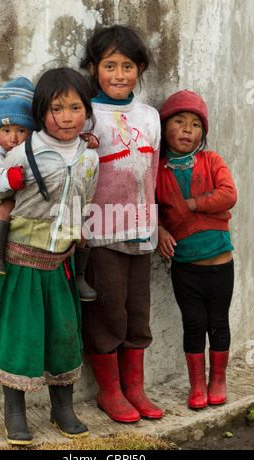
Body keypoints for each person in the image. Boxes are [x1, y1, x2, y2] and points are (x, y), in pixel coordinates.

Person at [0, 67, 99, 445]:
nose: (66, 117)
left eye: (75, 107)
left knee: (63, 338)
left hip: (59, 265)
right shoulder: (24, 154)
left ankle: (62, 408)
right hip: (20, 266)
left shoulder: (89, 157)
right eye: (57, 108)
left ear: (87, 110)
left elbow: (87, 198)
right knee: (19, 337)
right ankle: (14, 412)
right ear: (41, 112)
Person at [80, 24, 163, 423]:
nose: (118, 74)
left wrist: (159, 223)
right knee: (107, 311)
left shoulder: (149, 117)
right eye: (109, 65)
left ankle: (135, 388)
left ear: (140, 68)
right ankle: (109, 392)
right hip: (101, 232)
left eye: (127, 65)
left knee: (137, 312)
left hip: (143, 231)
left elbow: (153, 175)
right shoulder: (87, 116)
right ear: (93, 68)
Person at [156, 90, 237, 409]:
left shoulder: (211, 160)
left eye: (195, 124)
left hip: (221, 264)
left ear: (203, 132)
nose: (188, 129)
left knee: (218, 322)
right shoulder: (158, 171)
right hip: (185, 269)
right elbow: (151, 208)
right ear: (164, 128)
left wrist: (195, 204)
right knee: (193, 325)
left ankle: (218, 379)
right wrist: (159, 229)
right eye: (179, 121)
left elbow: (228, 194)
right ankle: (197, 386)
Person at [0, 77, 36, 275]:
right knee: (6, 206)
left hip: (23, 216)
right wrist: (7, 179)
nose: (13, 138)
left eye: (21, 130)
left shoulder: (35, 155)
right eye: (6, 130)